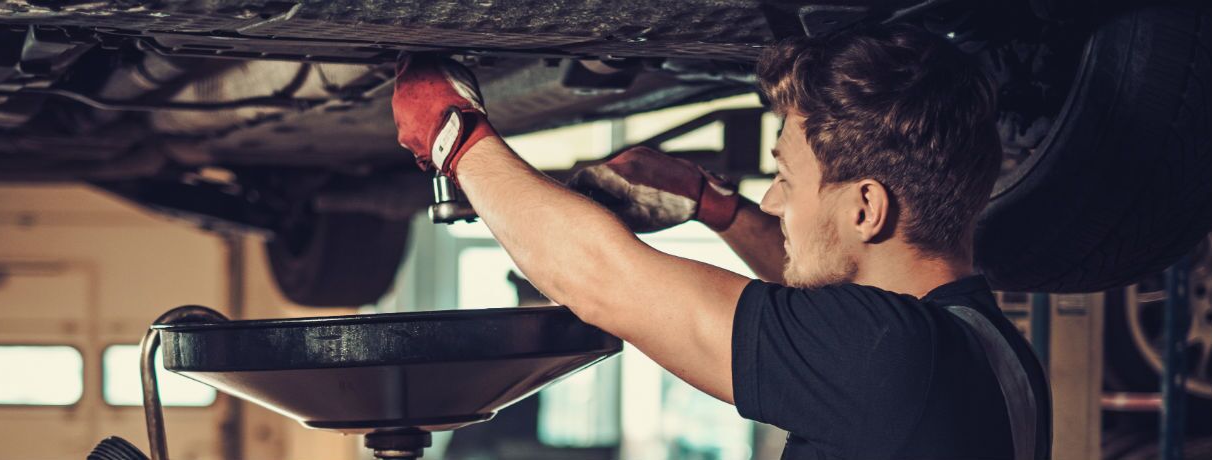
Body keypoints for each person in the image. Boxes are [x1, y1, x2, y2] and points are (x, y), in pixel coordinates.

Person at [391, 23, 1051, 460]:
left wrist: (455, 136)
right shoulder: (992, 349)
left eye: (786, 180)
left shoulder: (889, 355)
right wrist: (717, 208)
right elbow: (824, 286)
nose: (773, 199)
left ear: (866, 208)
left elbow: (600, 278)